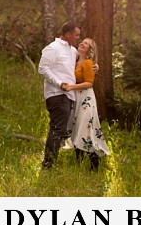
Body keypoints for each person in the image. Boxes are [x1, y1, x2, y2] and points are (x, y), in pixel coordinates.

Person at [37, 21, 81, 170]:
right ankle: (48, 165)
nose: (77, 38)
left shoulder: (73, 51)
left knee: (62, 129)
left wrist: (96, 66)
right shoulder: (52, 48)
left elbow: (81, 64)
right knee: (57, 128)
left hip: (69, 96)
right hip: (57, 94)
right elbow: (43, 69)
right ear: (68, 34)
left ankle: (52, 161)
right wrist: (59, 83)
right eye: (76, 35)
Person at [61, 38, 110, 171]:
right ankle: (79, 162)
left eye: (86, 43)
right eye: (82, 41)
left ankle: (95, 163)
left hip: (86, 99)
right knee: (76, 128)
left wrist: (71, 87)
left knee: (86, 128)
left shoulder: (88, 63)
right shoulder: (75, 61)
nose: (82, 43)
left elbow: (89, 83)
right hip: (76, 98)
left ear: (90, 49)